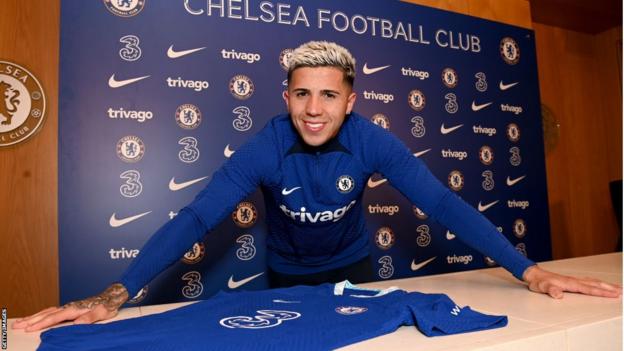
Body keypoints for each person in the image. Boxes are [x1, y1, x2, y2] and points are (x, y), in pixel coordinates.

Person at [13, 41, 622, 333]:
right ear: (286, 98)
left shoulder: (372, 140)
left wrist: (527, 270)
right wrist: (117, 294)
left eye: (329, 94)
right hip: (286, 273)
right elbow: (198, 219)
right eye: (301, 93)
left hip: (353, 265)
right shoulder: (265, 146)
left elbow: (439, 202)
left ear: (351, 101)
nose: (313, 109)